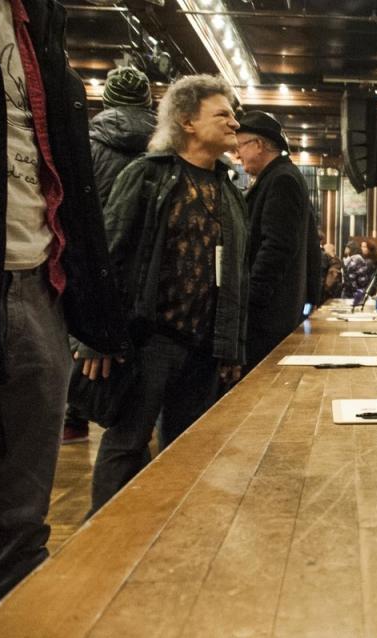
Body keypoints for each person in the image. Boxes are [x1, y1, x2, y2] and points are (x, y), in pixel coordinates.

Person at [0, 0, 128, 612]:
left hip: (39, 286)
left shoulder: (40, 27)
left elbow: (70, 182)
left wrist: (97, 318)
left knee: (21, 523)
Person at [89, 74, 249, 514]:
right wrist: (95, 336)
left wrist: (231, 348)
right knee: (125, 446)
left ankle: (168, 542)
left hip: (204, 348)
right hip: (149, 341)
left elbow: (237, 276)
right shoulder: (146, 175)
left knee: (189, 454)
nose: (235, 122)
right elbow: (109, 252)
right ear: (187, 121)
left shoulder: (230, 192)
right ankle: (102, 543)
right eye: (223, 114)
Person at [63, 65, 156, 444]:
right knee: (145, 345)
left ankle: (75, 417)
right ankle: (137, 421)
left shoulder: (85, 142)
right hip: (149, 264)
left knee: (83, 336)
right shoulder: (164, 148)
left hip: (92, 255)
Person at [234, 111, 319, 371]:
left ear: (258, 145)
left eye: (240, 147)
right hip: (275, 310)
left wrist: (251, 296)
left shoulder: (282, 179)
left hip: (269, 314)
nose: (237, 155)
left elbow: (277, 247)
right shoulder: (281, 176)